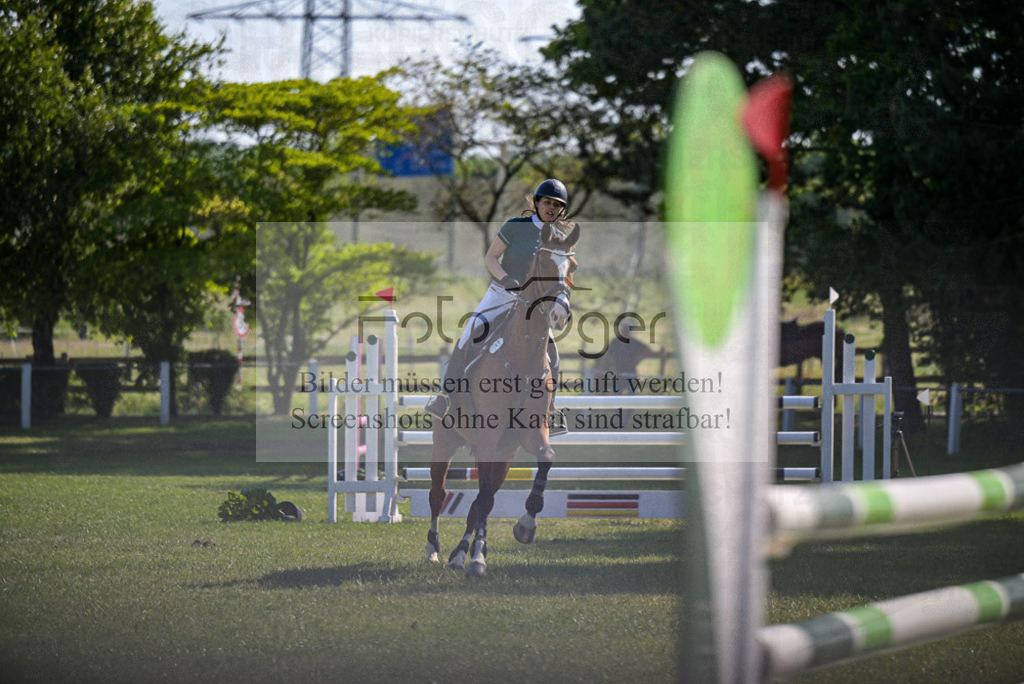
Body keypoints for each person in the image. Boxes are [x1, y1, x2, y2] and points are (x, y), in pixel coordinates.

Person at [424, 179, 575, 436]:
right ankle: (445, 397)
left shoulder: (559, 237)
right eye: (547, 202)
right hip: (501, 294)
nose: (551, 208)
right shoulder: (516, 227)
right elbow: (490, 258)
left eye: (557, 205)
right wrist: (506, 279)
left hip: (533, 305)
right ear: (536, 203)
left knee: (553, 353)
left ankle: (552, 409)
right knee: (470, 332)